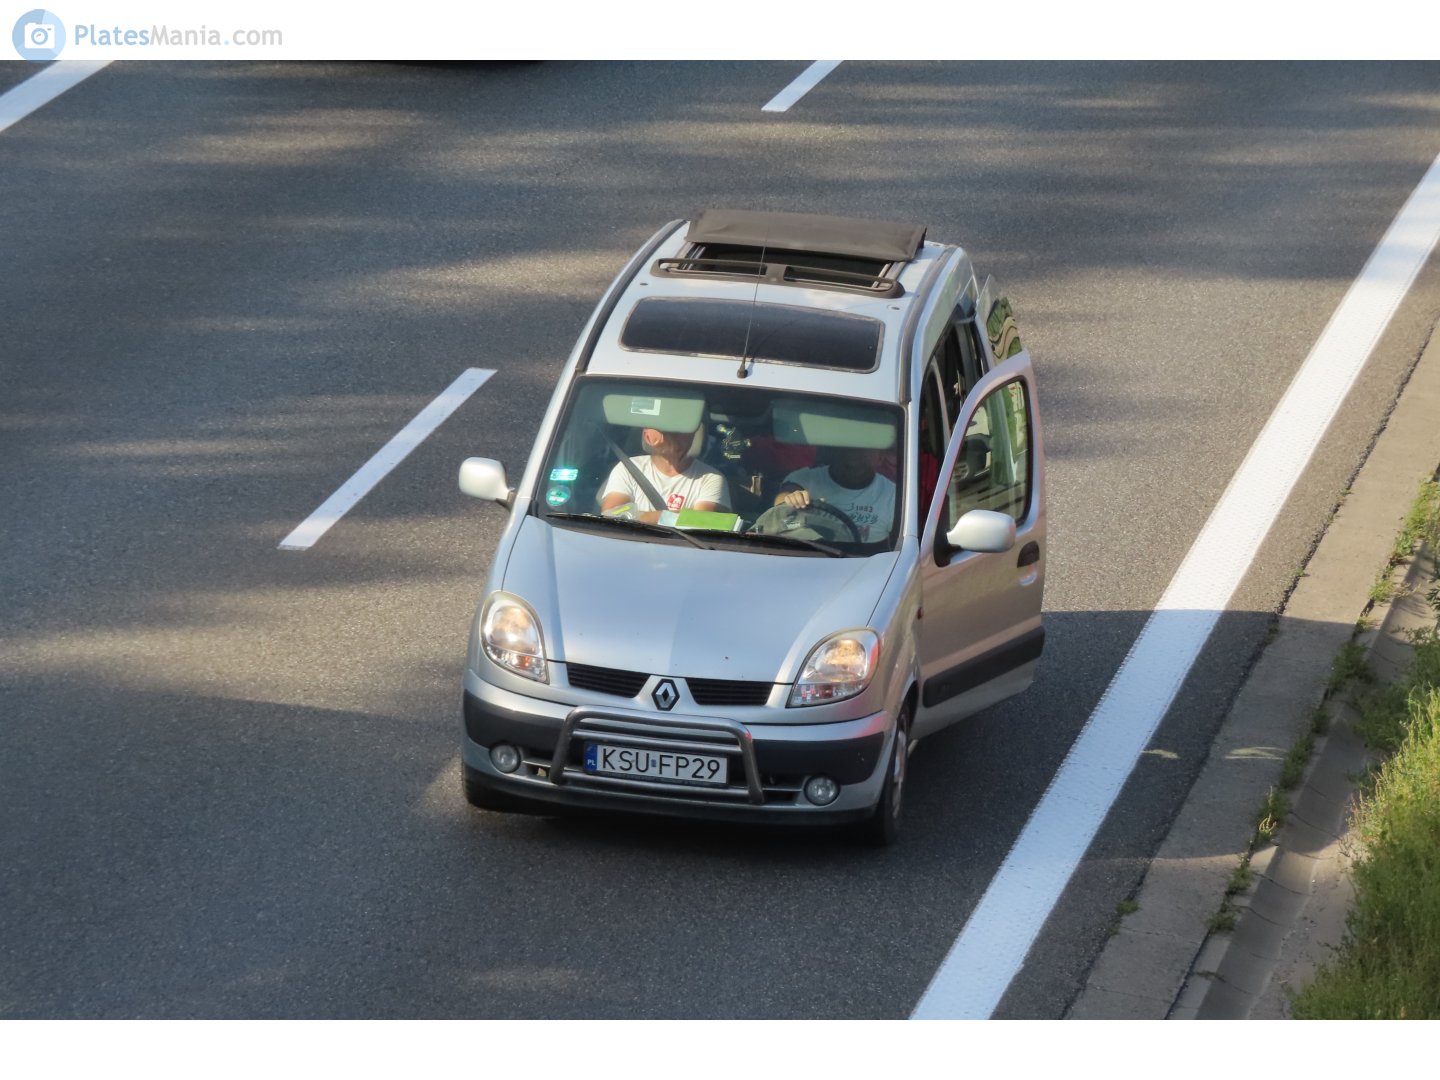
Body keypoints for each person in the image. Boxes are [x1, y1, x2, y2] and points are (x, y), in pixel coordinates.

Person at [600, 425, 729, 523]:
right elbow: (613, 516)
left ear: (692, 435)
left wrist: (639, 516)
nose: (672, 436)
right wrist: (679, 517)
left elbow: (701, 522)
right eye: (664, 429)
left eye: (680, 428)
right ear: (648, 437)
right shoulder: (627, 468)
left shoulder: (710, 477)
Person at [773, 446, 897, 542]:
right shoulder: (805, 479)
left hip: (866, 564)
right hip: (808, 556)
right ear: (833, 452)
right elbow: (782, 502)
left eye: (864, 450)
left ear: (880, 457)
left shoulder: (892, 494)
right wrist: (792, 499)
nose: (854, 456)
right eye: (848, 448)